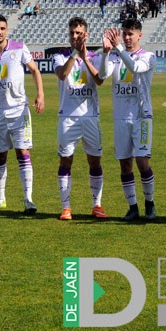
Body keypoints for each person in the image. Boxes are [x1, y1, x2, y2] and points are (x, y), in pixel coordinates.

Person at [0, 14, 44, 214]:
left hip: (19, 109)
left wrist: (40, 94)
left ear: (7, 30)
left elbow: (34, 70)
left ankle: (28, 199)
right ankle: (0, 199)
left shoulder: (19, 48)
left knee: (23, 152)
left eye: (2, 28)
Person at [98, 21, 156, 221]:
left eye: (130, 34)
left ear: (139, 35)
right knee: (125, 164)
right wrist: (106, 52)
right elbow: (103, 75)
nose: (127, 37)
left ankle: (150, 204)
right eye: (124, 34)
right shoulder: (115, 56)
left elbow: (136, 67)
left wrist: (119, 48)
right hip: (121, 116)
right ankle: (133, 207)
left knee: (142, 161)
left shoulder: (148, 56)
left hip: (142, 116)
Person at [52, 17, 107, 220]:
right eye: (72, 33)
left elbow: (99, 80)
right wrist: (76, 54)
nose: (75, 36)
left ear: (86, 35)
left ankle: (97, 205)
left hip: (90, 116)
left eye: (79, 33)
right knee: (66, 160)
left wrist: (85, 58)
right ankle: (66, 207)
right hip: (67, 117)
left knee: (95, 161)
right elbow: (63, 74)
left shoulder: (96, 57)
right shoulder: (60, 57)